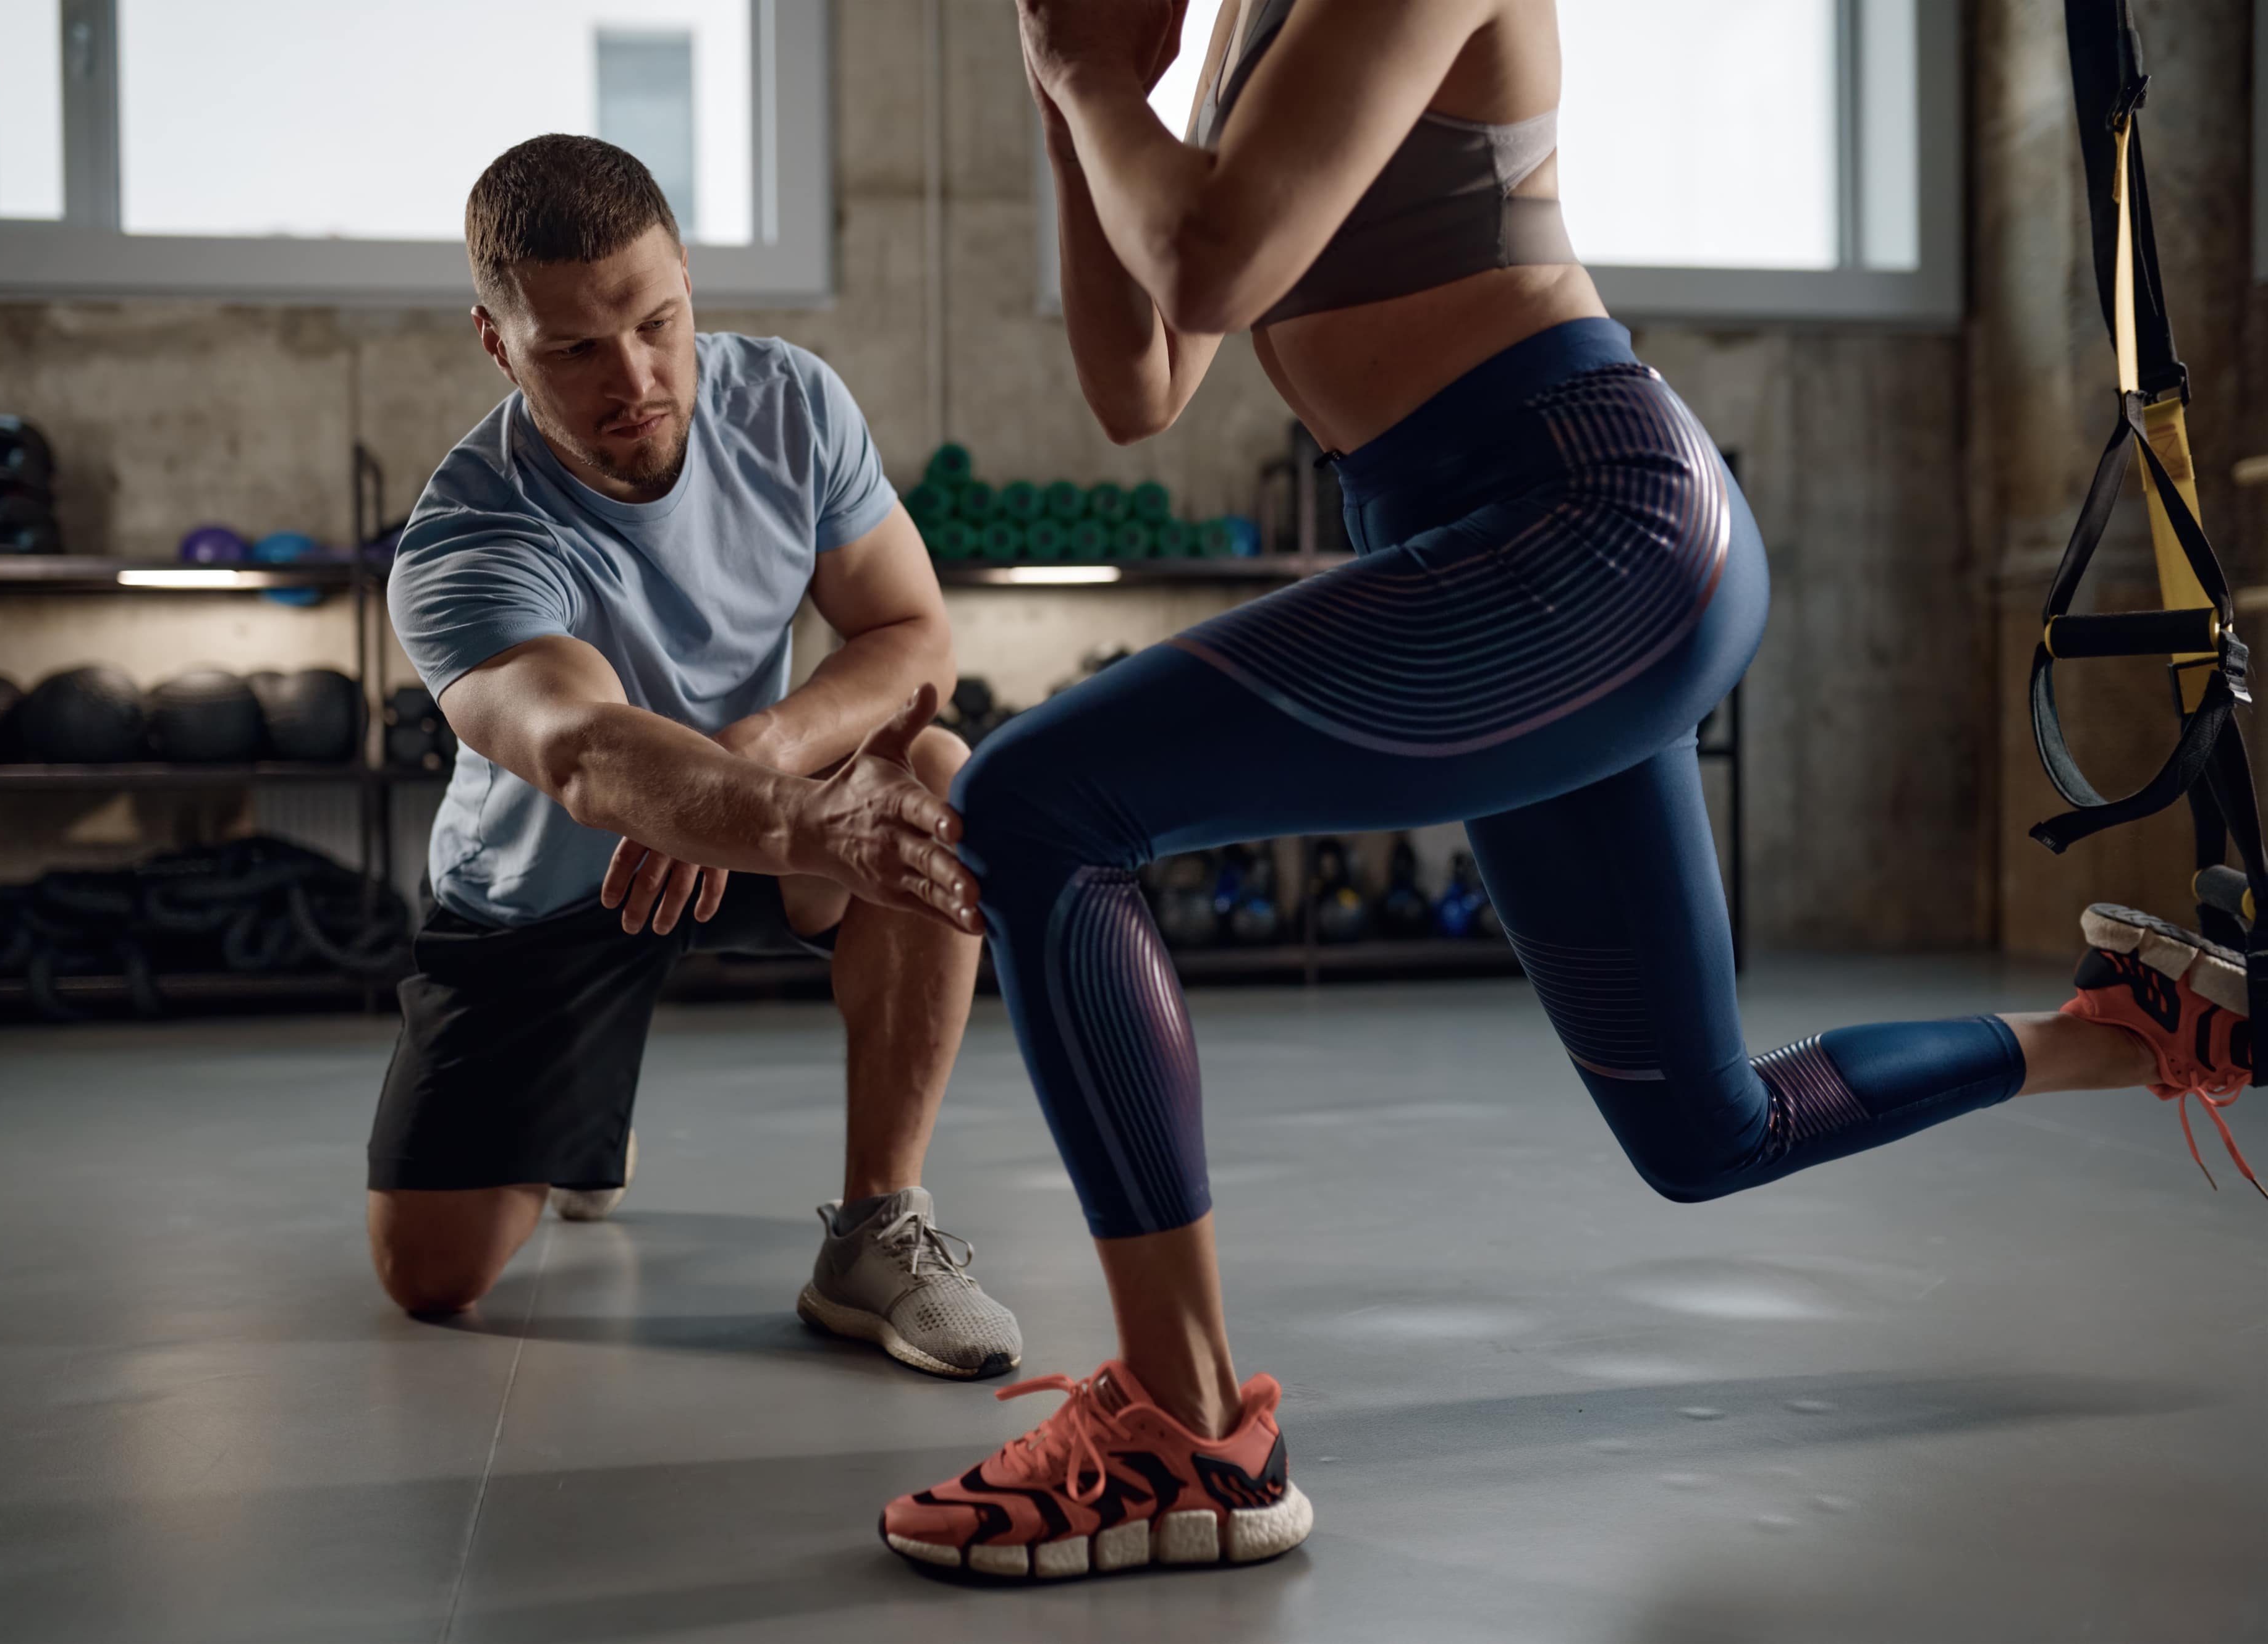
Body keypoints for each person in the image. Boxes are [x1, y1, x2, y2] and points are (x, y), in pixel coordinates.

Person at [876, 0, 2253, 1580]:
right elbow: (1142, 379)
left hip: (1589, 523)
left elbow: (1207, 262)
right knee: (1705, 1133)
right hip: (1489, 551)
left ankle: (1184, 1430)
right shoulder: (1255, 26)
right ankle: (2142, 1028)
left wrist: (1074, 75)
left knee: (1037, 803)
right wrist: (1084, 99)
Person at [368, 134, 1021, 1383]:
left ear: (685, 280)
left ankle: (877, 1232)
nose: (636, 378)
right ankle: (579, 1123)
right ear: (497, 343)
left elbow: (908, 630)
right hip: (558, 884)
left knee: (932, 771)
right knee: (431, 1277)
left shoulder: (789, 402)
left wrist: (766, 751)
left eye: (657, 322)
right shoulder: (465, 536)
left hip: (754, 822)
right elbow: (577, 746)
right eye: (573, 349)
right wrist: (788, 820)